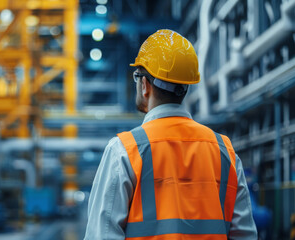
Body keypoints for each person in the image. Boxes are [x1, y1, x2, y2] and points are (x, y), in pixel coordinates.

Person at [84, 29, 257, 239]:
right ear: (185, 87)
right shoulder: (224, 151)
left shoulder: (125, 150)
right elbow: (245, 235)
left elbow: (101, 235)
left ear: (145, 85)